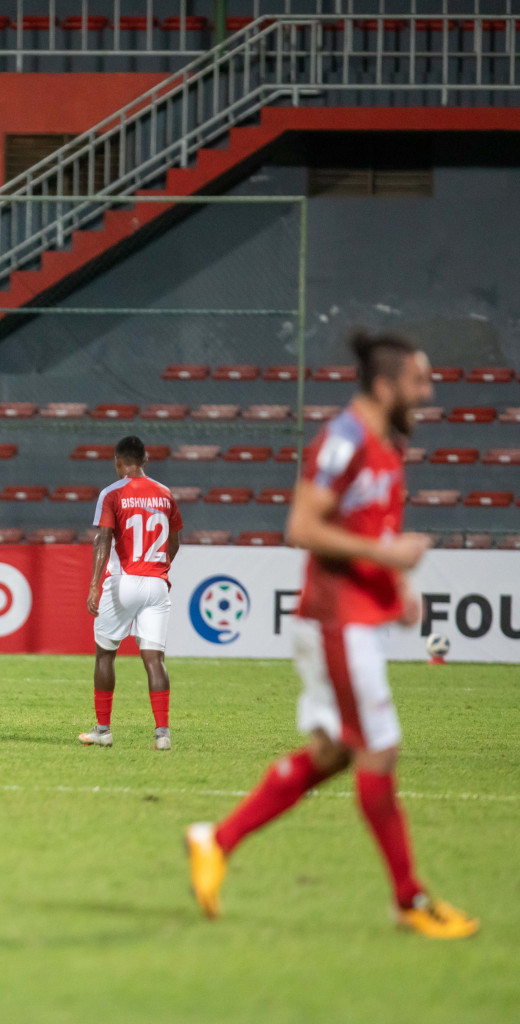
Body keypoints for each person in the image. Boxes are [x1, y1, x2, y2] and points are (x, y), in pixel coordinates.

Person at [185, 330, 478, 939]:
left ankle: (215, 840)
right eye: (419, 381)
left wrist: (396, 586)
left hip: (358, 618)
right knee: (379, 748)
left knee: (335, 752)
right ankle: (409, 899)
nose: (428, 393)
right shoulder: (343, 440)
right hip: (336, 620)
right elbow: (301, 525)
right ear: (385, 384)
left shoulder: (386, 447)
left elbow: (379, 536)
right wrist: (387, 558)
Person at [78, 435, 182, 750]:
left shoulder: (112, 493)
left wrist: (95, 584)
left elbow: (104, 539)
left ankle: (103, 730)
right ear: (145, 460)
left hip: (122, 581)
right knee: (154, 659)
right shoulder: (165, 494)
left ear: (117, 461)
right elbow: (175, 542)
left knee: (105, 654)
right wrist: (161, 571)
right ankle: (162, 734)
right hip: (156, 583)